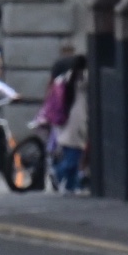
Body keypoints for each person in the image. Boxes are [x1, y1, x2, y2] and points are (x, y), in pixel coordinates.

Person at [51, 55, 88, 193]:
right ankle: (58, 172)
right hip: (76, 122)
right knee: (73, 157)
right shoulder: (82, 79)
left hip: (67, 120)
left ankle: (70, 185)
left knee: (73, 156)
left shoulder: (67, 78)